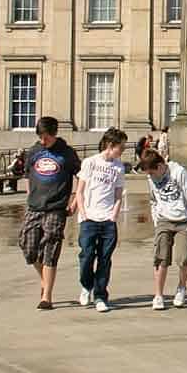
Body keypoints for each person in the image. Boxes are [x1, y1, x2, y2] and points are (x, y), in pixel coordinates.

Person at [19, 116, 82, 309]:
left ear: (54, 134)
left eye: (46, 137)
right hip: (35, 206)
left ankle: (47, 296)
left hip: (57, 207)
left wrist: (75, 201)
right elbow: (29, 176)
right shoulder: (34, 151)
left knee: (50, 250)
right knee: (27, 246)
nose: (43, 140)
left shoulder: (67, 153)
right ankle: (44, 279)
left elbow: (81, 177)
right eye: (40, 136)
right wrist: (30, 197)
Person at [74, 128, 127, 313]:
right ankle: (86, 286)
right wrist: (83, 214)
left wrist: (114, 215)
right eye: (121, 147)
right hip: (89, 218)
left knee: (105, 259)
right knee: (87, 256)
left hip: (107, 219)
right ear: (110, 146)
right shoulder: (90, 162)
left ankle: (100, 296)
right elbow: (79, 191)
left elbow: (118, 195)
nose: (123, 150)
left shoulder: (119, 167)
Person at [144, 147, 187, 309]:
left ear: (160, 166)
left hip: (182, 220)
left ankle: (181, 287)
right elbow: (153, 199)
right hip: (164, 220)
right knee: (161, 257)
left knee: (183, 257)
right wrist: (156, 218)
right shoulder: (151, 178)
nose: (151, 177)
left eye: (152, 173)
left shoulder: (178, 172)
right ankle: (158, 295)